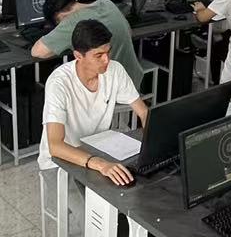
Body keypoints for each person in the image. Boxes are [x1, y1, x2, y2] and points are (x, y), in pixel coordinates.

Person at [38, 19, 149, 186]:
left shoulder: (115, 70)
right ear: (78, 56)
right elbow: (55, 146)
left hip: (98, 151)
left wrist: (150, 148)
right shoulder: (59, 83)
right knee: (94, 203)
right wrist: (101, 164)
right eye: (98, 55)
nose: (106, 60)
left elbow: (144, 112)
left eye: (108, 52)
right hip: (61, 162)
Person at [33, 0, 145, 86]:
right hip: (133, 80)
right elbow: (129, 31)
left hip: (109, 90)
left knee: (59, 80)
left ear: (60, 16)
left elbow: (38, 52)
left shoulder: (71, 22)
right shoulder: (107, 4)